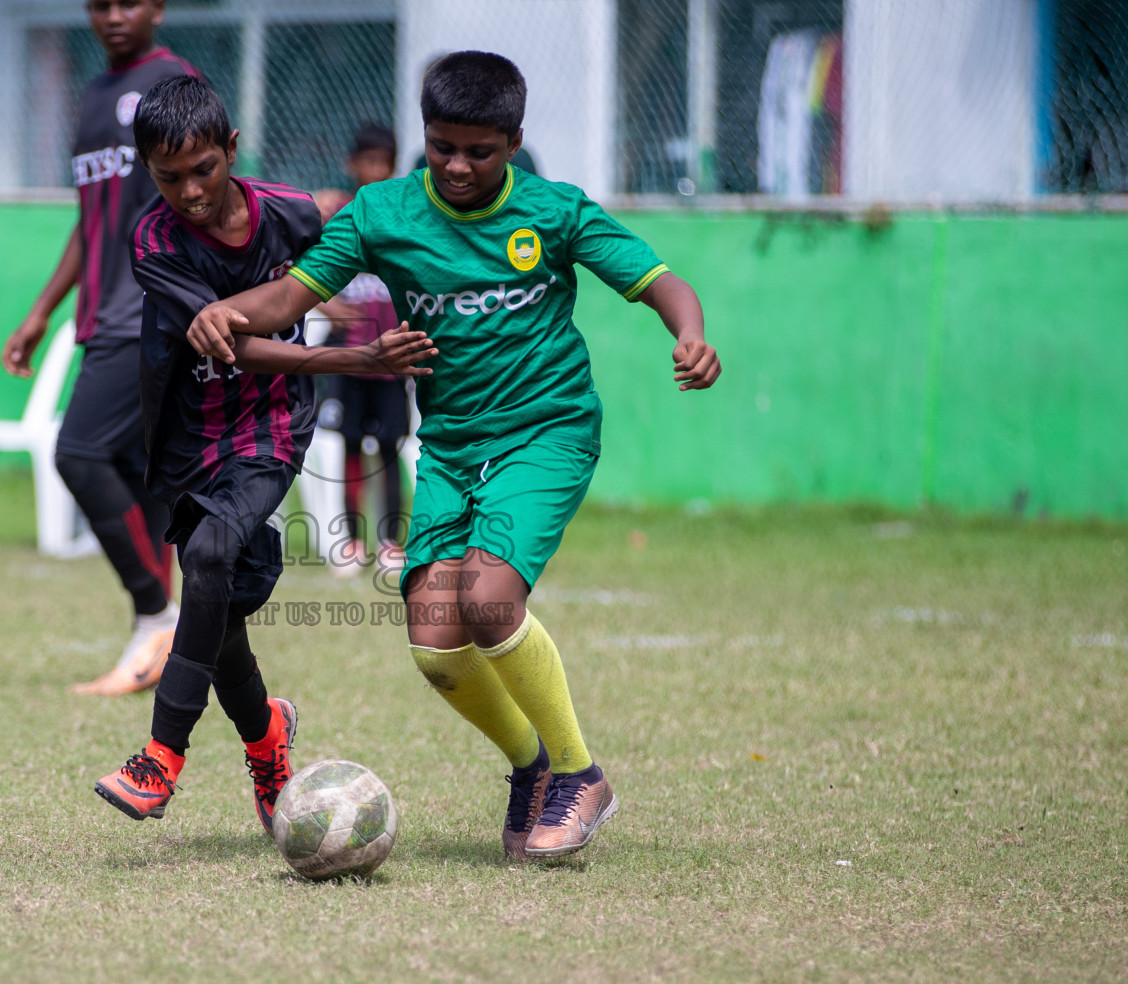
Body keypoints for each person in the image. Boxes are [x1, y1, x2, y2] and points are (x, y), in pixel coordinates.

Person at [185, 51, 721, 859]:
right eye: (442, 147)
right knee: (435, 642)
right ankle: (531, 768)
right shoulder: (381, 213)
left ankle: (581, 774)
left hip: (548, 429)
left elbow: (658, 282)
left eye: (480, 150)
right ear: (422, 137)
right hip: (450, 445)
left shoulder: (555, 212)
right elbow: (292, 296)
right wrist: (227, 311)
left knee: (489, 598)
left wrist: (690, 332)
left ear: (513, 142)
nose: (459, 166)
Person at [92, 76, 436, 829]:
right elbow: (239, 345)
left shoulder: (291, 215)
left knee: (210, 561)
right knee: (220, 626)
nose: (188, 191)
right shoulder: (152, 240)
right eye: (168, 176)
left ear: (233, 150)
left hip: (268, 427)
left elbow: (368, 250)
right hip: (188, 437)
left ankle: (161, 757)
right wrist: (358, 360)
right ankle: (267, 739)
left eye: (204, 169)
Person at [0, 0, 198, 697]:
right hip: (101, 314)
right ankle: (159, 640)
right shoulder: (92, 99)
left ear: (156, 6)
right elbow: (91, 222)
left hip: (153, 312)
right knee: (145, 481)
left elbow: (207, 200)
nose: (113, 16)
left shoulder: (176, 88)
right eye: (100, 4)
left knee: (79, 453)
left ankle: (159, 616)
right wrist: (42, 309)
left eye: (128, 2)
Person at [310, 124, 411, 578]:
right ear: (352, 165)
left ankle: (392, 541)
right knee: (351, 446)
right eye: (366, 162)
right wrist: (326, 304)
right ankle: (351, 542)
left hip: (392, 362)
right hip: (349, 358)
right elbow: (302, 268)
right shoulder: (337, 214)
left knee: (388, 449)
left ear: (392, 167)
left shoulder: (404, 215)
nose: (373, 170)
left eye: (382, 163)